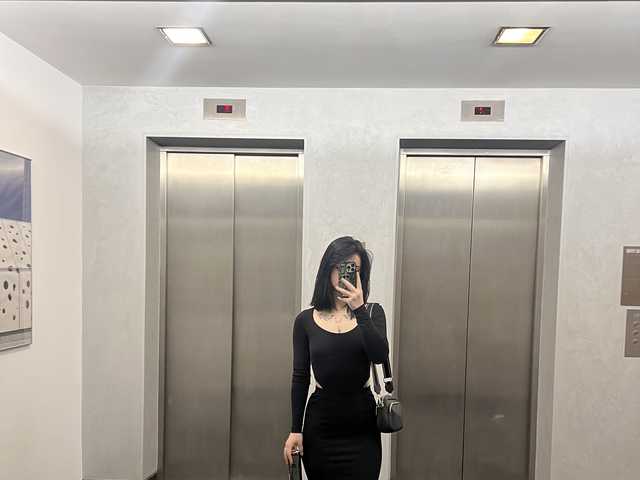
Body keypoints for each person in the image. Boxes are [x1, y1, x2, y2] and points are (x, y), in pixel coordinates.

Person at [282, 236, 389, 479]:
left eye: (354, 269)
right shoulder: (305, 321)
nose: (347, 274)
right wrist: (295, 430)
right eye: (341, 266)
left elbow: (379, 355)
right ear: (328, 269)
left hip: (362, 427)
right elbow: (300, 377)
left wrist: (359, 309)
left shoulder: (373, 313)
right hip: (321, 428)